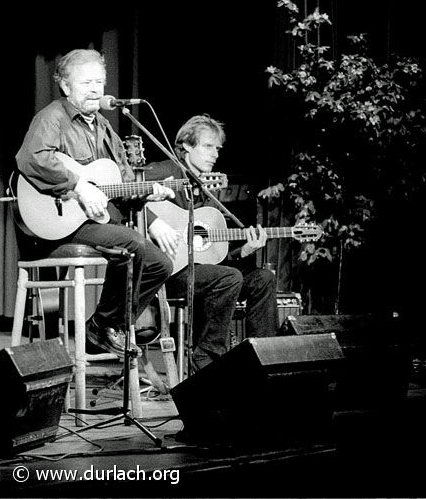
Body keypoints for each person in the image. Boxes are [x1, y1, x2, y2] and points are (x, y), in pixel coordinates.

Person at [15, 49, 173, 357]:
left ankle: (103, 326)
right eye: (86, 82)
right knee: (132, 244)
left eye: (99, 82)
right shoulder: (52, 118)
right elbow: (31, 158)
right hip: (56, 224)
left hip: (95, 224)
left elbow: (123, 184)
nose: (95, 89)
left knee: (160, 263)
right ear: (65, 86)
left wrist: (148, 191)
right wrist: (78, 186)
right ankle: (102, 329)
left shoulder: (104, 128)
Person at [143, 114, 278, 371]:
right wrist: (153, 222)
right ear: (186, 146)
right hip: (167, 273)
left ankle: (264, 359)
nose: (214, 154)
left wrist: (245, 250)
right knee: (228, 278)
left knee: (263, 279)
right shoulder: (163, 170)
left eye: (217, 148)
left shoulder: (206, 189)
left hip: (200, 272)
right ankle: (207, 358)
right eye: (207, 146)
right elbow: (126, 195)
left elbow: (209, 252)